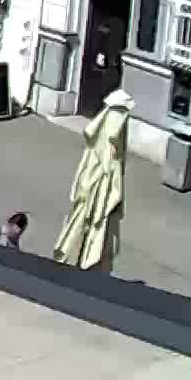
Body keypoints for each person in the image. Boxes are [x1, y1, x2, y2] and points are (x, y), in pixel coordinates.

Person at [53, 88, 133, 272]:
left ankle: (77, 258)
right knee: (94, 222)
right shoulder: (106, 158)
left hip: (95, 182)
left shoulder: (99, 150)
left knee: (87, 220)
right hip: (97, 182)